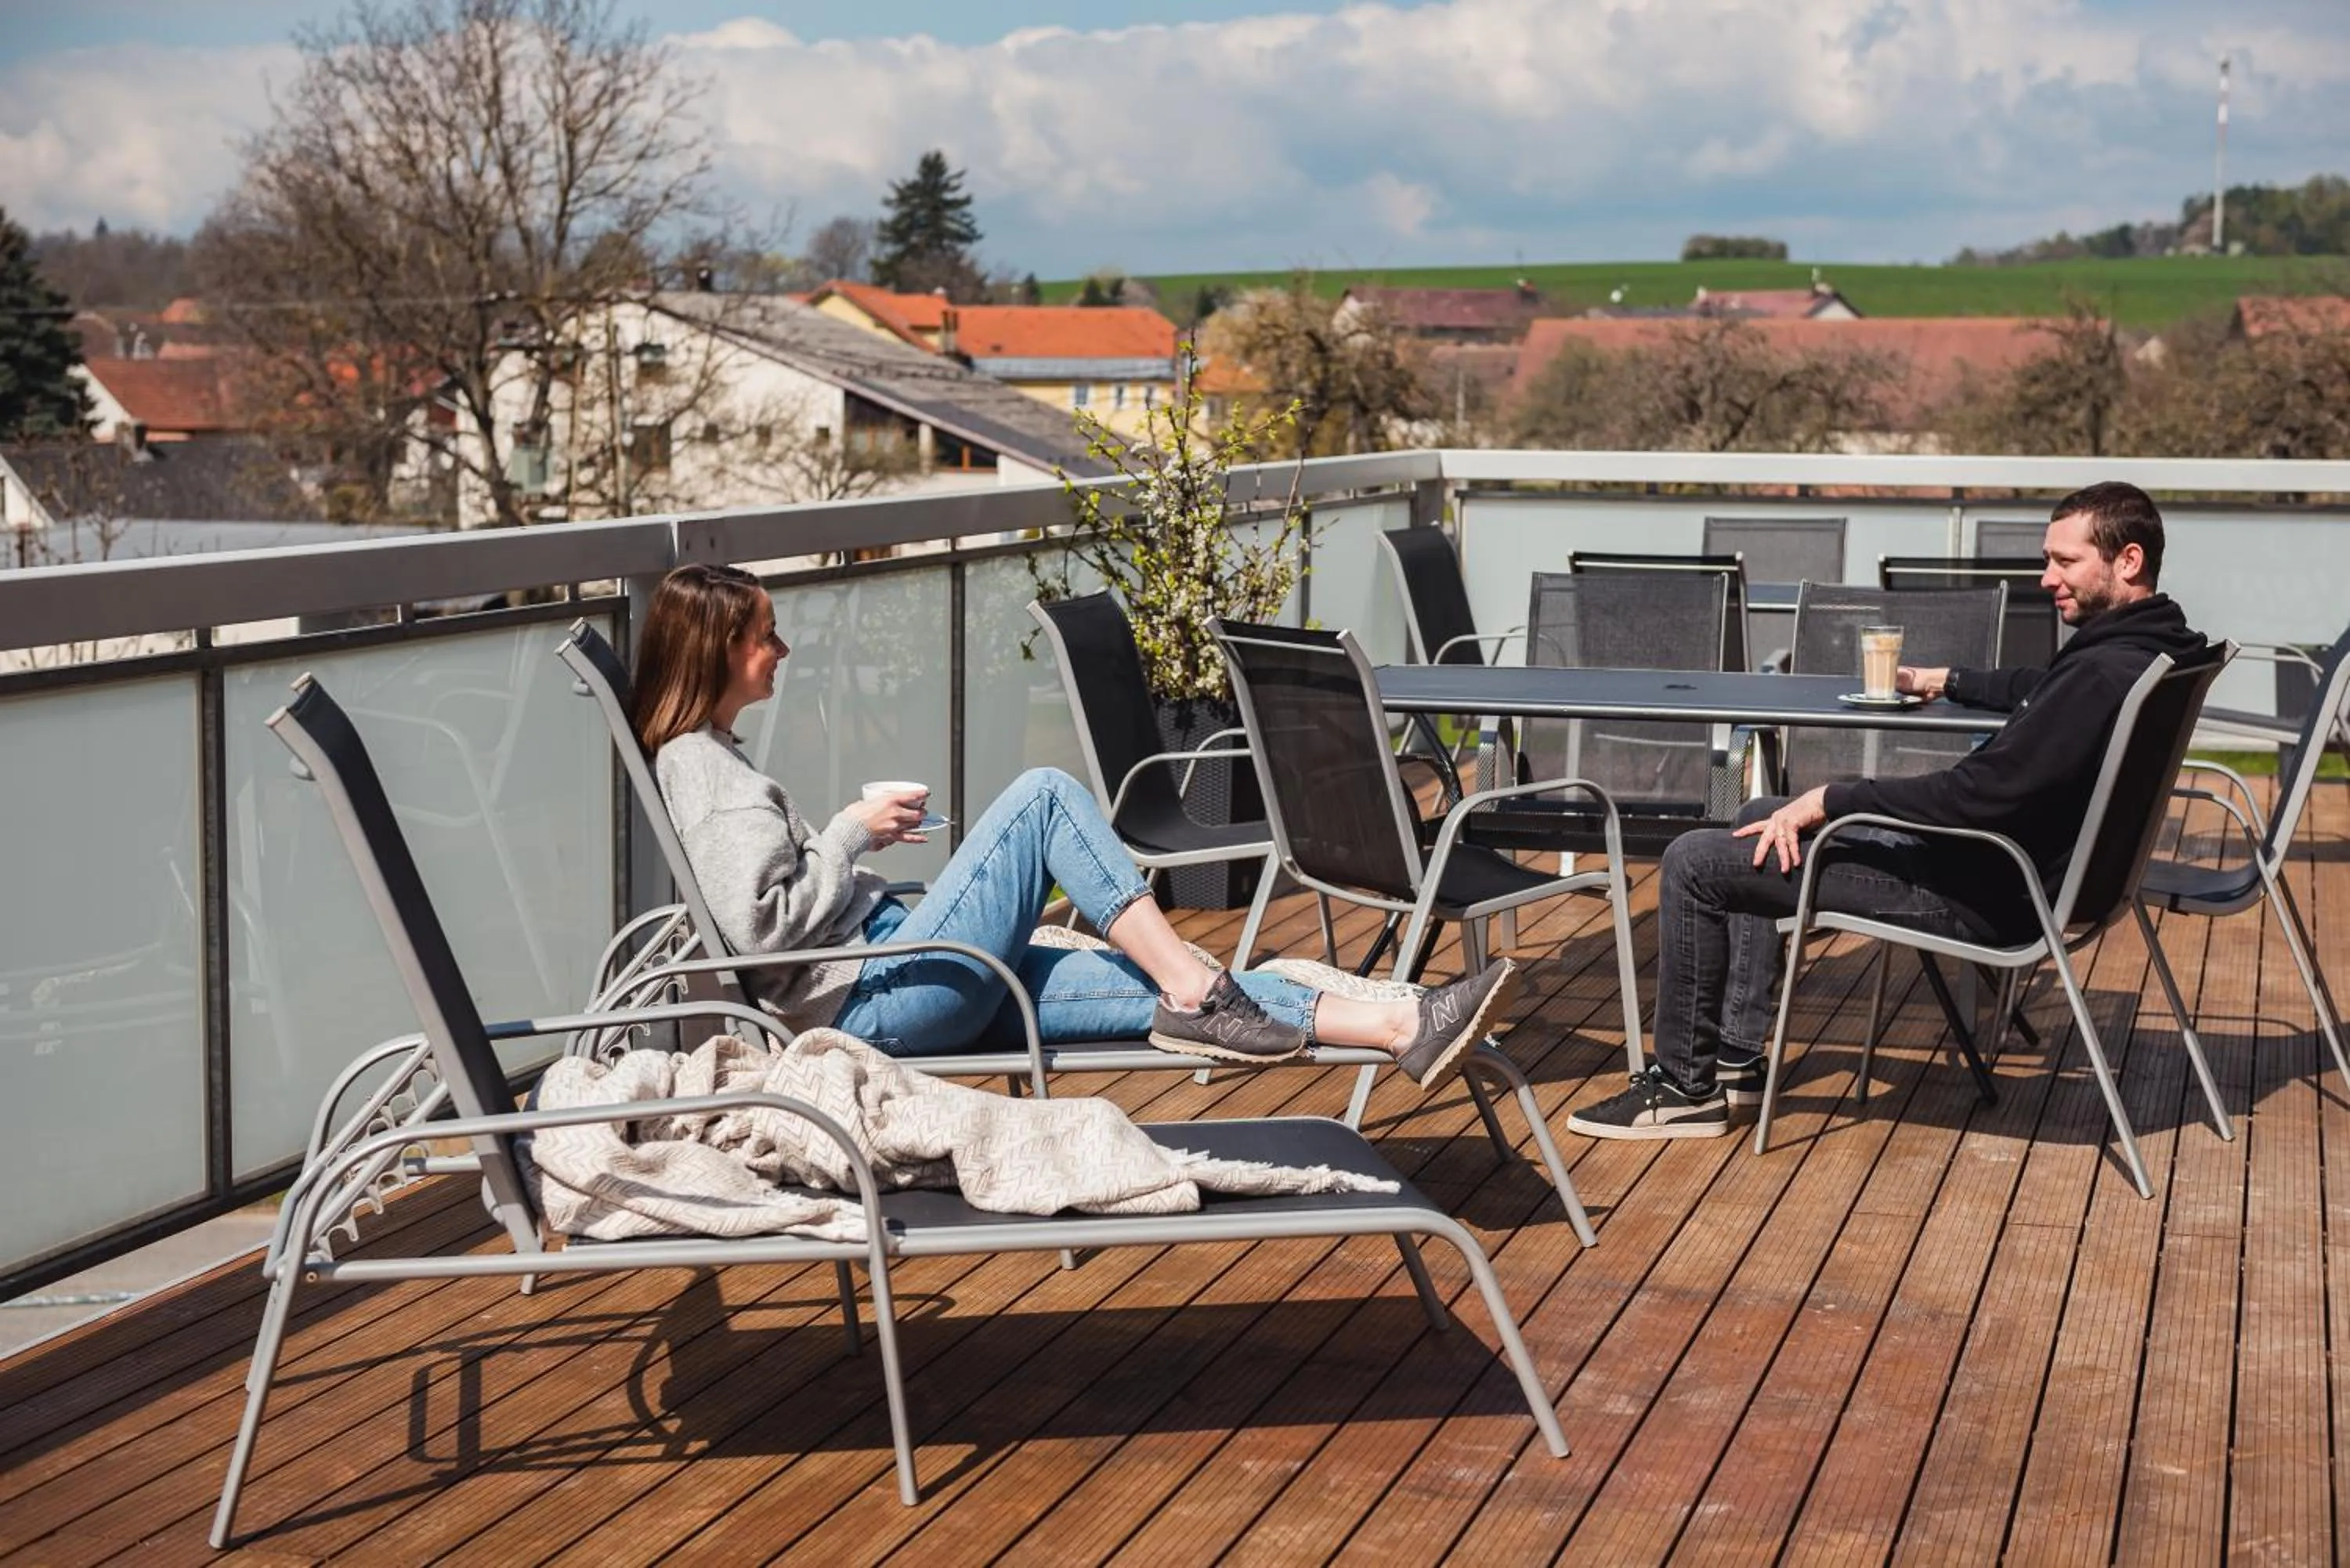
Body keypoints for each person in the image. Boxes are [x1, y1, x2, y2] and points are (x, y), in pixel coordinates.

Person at [631, 562, 1519, 1087]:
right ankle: (1197, 987)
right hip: (882, 996)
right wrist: (851, 831)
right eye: (766, 636)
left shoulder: (707, 758)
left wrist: (855, 845)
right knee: (1045, 794)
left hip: (898, 974)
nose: (781, 650)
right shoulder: (704, 771)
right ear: (716, 649)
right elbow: (762, 930)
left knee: (1167, 992)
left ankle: (1401, 1027)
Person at [1567, 481, 2208, 1140]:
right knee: (1759, 812)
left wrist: (1835, 798)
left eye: (2064, 561)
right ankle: (1735, 1056)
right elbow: (2043, 691)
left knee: (1693, 861)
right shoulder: (2146, 650)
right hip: (2013, 872)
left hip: (1978, 888)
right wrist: (1948, 679)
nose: (2047, 578)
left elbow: (1975, 796)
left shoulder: (2102, 671)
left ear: (2127, 560)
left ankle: (1682, 1087)